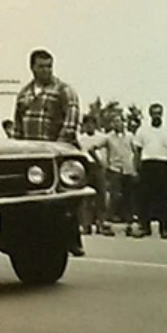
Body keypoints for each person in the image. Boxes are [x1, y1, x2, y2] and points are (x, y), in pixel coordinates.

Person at [13, 48, 85, 257]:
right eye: (41, 66)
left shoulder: (63, 90)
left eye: (49, 66)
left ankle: (73, 239)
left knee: (64, 200)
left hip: (55, 153)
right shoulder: (24, 93)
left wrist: (60, 146)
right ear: (32, 68)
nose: (46, 71)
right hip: (31, 155)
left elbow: (71, 121)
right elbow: (18, 126)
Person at [131, 103, 167, 239]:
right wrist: (136, 170)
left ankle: (164, 229)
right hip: (147, 164)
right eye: (154, 113)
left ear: (162, 114)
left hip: (163, 164)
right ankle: (145, 227)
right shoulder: (143, 131)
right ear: (150, 115)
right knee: (145, 199)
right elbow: (137, 151)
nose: (156, 116)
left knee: (163, 199)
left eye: (158, 113)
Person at [79, 114, 115, 237]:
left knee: (101, 196)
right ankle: (86, 225)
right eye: (87, 124)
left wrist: (105, 164)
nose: (89, 126)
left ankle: (100, 223)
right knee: (86, 198)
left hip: (98, 167)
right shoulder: (80, 138)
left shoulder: (102, 137)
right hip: (85, 167)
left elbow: (108, 150)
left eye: (92, 124)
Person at [105, 114, 138, 235]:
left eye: (119, 121)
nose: (117, 124)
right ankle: (107, 223)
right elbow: (94, 147)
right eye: (114, 122)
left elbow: (136, 151)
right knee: (115, 196)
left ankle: (129, 224)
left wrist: (136, 166)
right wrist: (104, 163)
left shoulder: (130, 136)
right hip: (115, 169)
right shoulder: (108, 137)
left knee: (128, 197)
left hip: (128, 169)